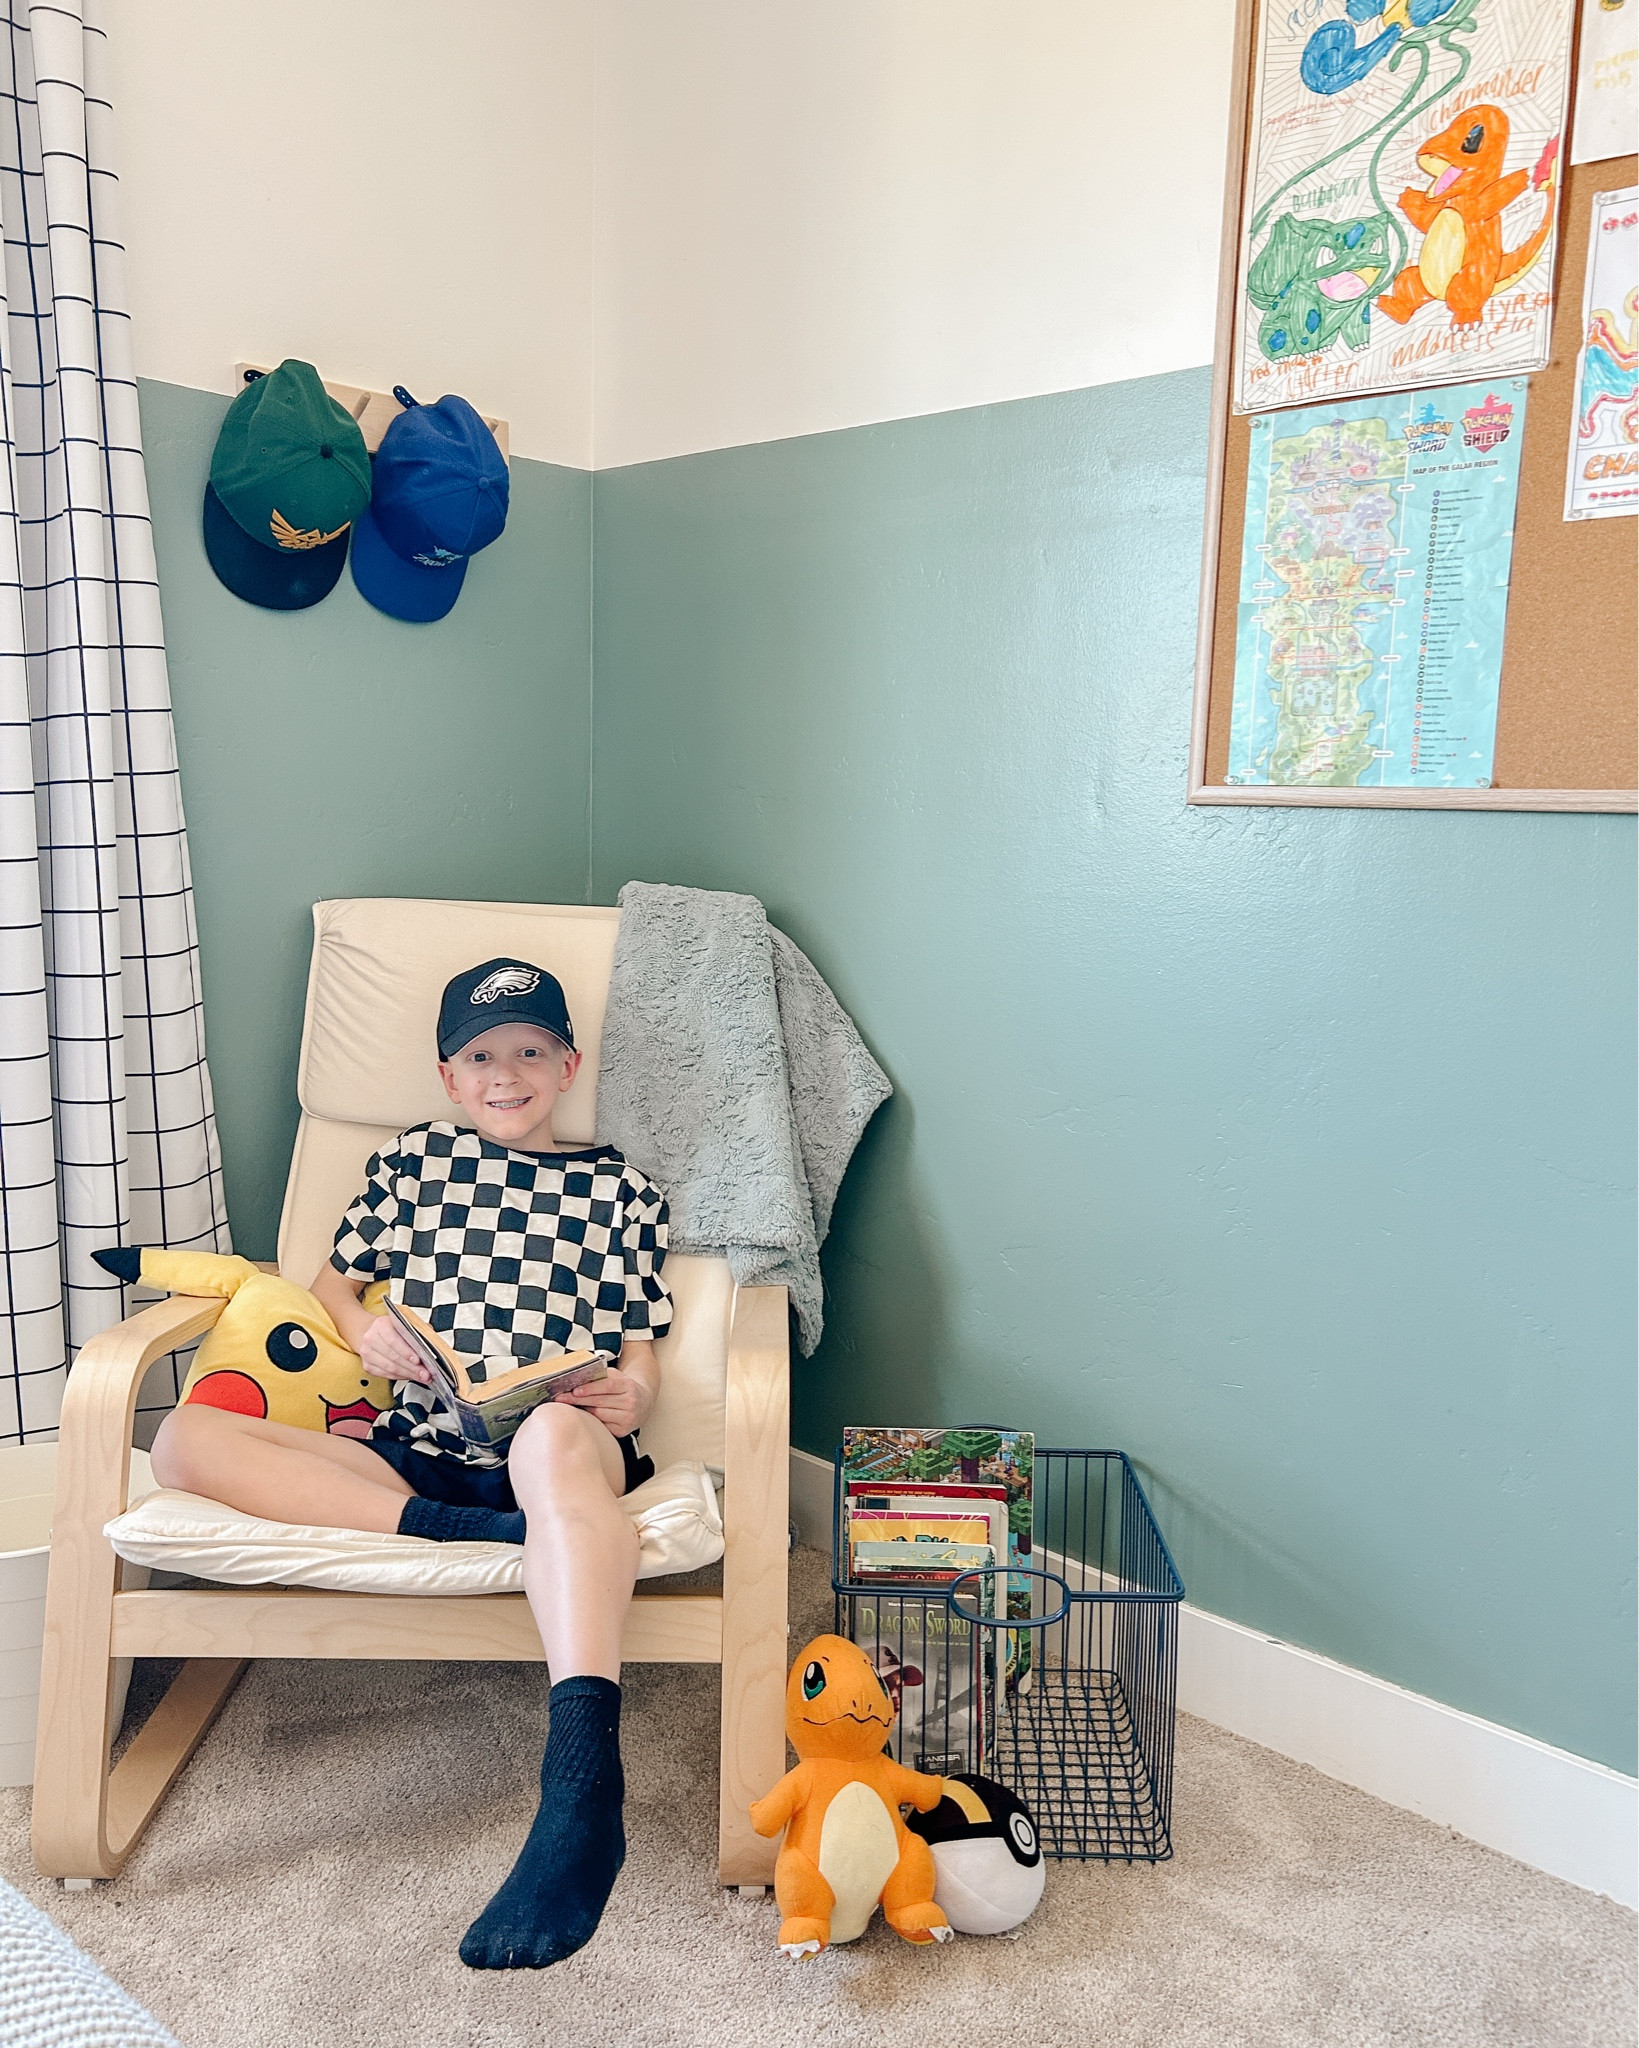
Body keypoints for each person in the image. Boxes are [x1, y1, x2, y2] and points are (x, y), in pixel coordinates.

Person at [149, 957, 671, 1970]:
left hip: (552, 1442)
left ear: (567, 1063)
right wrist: (371, 1332)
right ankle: (478, 1532)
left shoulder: (620, 1188)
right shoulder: (413, 1163)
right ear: (448, 1075)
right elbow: (329, 1286)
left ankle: (579, 1788)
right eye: (481, 1055)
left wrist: (635, 1393)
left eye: (528, 1051)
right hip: (420, 1448)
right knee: (181, 1438)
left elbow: (640, 1343)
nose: (505, 1073)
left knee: (555, 1436)